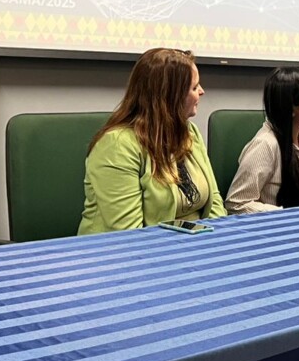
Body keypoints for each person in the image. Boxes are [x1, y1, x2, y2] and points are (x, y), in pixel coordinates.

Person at [78, 47, 225, 234]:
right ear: (170, 97)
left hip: (190, 242)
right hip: (125, 248)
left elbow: (215, 203)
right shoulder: (117, 145)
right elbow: (129, 233)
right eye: (194, 87)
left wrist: (218, 238)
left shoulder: (190, 132)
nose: (202, 92)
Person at [226, 67, 299, 213]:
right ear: (292, 108)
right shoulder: (265, 145)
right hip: (283, 224)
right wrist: (285, 215)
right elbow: (236, 203)